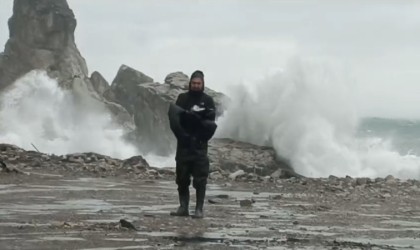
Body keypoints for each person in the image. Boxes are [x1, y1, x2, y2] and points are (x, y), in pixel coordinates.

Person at [168, 70, 217, 219]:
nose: (196, 86)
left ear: (203, 84)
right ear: (190, 83)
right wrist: (182, 135)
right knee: (182, 178)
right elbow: (175, 119)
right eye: (194, 83)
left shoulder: (208, 101)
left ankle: (199, 209)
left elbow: (211, 122)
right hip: (183, 144)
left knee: (200, 179)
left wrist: (197, 120)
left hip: (199, 145)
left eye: (198, 83)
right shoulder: (182, 98)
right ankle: (183, 207)